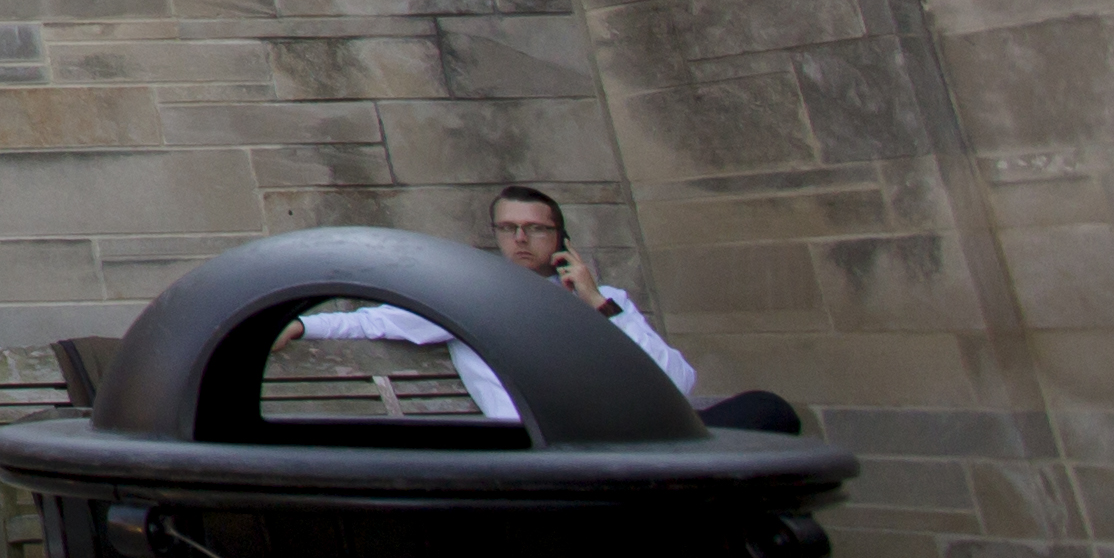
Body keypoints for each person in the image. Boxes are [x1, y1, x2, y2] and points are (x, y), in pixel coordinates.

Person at [300, 187, 802, 431]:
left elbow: (677, 384)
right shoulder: (471, 296)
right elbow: (371, 319)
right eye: (508, 228)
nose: (520, 239)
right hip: (550, 445)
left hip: (633, 435)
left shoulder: (607, 303)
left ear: (559, 238)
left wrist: (598, 304)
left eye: (535, 228)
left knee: (769, 411)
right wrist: (299, 324)